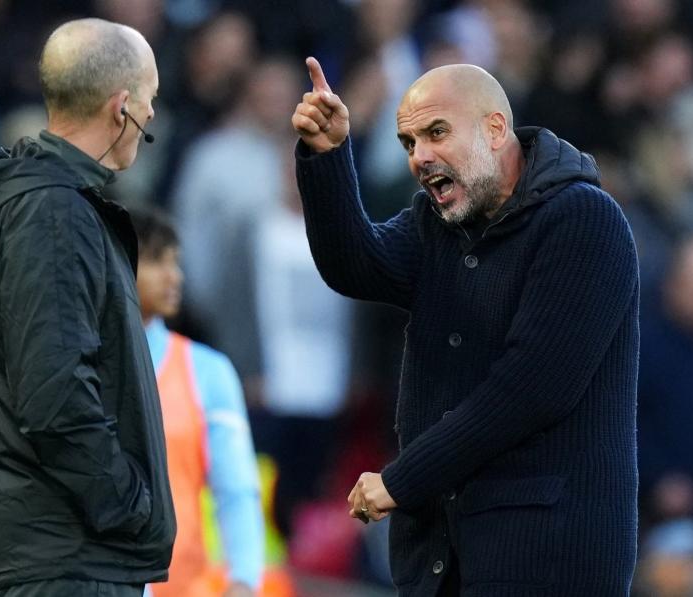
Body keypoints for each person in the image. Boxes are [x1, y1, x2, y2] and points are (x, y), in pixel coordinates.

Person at [292, 58, 640, 595]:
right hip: (442, 555)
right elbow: (355, 265)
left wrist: (402, 480)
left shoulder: (583, 220)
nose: (421, 157)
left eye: (436, 133)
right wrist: (328, 155)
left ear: (495, 129)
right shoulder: (437, 225)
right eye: (409, 143)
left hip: (546, 561)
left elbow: (531, 389)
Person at [0, 18, 175, 597]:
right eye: (149, 101)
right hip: (69, 559)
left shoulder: (35, 203)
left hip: (57, 554)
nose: (151, 117)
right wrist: (127, 504)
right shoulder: (51, 213)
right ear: (121, 105)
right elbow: (54, 397)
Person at [129, 209, 264, 597]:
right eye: (157, 261)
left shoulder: (207, 371)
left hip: (182, 586)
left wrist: (244, 580)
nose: (176, 277)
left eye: (176, 262)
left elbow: (236, 487)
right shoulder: (75, 365)